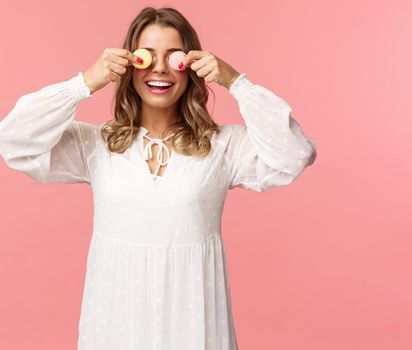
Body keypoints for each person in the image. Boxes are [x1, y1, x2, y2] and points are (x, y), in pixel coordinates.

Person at [0, 6, 316, 349]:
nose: (159, 68)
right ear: (128, 64)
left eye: (172, 55)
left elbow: (295, 155)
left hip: (194, 325)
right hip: (115, 324)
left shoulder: (224, 146)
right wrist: (85, 83)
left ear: (191, 66)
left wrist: (236, 82)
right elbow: (13, 140)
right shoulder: (97, 144)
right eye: (146, 57)